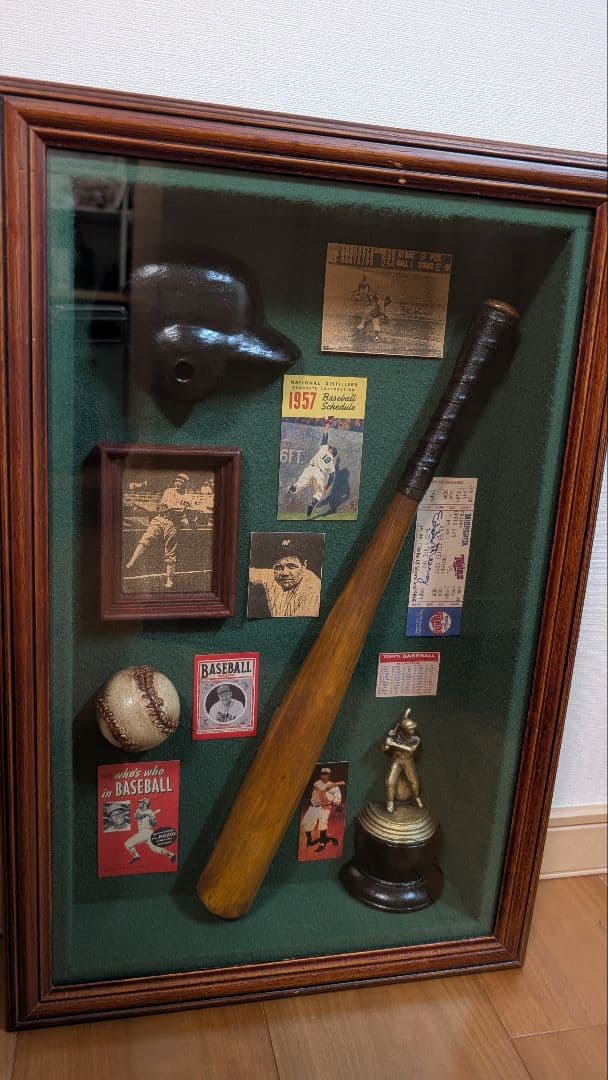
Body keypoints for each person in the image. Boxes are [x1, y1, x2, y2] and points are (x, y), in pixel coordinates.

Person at [125, 473, 198, 589]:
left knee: (170, 550)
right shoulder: (169, 491)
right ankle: (132, 561)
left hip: (173, 523)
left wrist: (192, 516)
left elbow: (193, 513)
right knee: (146, 537)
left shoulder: (188, 497)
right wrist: (183, 509)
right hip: (160, 518)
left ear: (185, 484)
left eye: (181, 482)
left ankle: (170, 579)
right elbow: (166, 506)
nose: (177, 483)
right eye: (177, 481)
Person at [248, 537, 322, 617]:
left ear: (304, 566)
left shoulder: (313, 589)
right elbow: (249, 572)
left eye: (291, 566)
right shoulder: (272, 576)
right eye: (279, 567)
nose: (284, 573)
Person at [288, 419, 338, 518]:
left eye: (331, 447)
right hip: (319, 474)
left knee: (299, 486)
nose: (329, 447)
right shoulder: (331, 462)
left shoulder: (324, 448)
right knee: (319, 492)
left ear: (331, 450)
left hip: (309, 469)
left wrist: (327, 426)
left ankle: (294, 486)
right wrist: (328, 485)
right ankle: (312, 503)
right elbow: (332, 475)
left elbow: (325, 437)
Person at [383, 708, 424, 813]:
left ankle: (417, 798)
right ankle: (390, 802)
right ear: (404, 729)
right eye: (410, 729)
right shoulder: (396, 735)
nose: (413, 731)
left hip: (408, 760)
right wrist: (386, 744)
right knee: (390, 781)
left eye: (413, 729)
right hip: (397, 760)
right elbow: (385, 748)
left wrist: (393, 743)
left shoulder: (416, 739)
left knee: (413, 780)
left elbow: (411, 749)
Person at [301, 767, 345, 852]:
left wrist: (338, 805)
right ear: (321, 775)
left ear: (329, 775)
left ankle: (322, 843)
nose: (324, 776)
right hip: (314, 807)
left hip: (325, 808)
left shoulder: (335, 788)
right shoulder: (317, 783)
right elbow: (324, 788)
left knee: (323, 824)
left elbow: (337, 799)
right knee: (305, 824)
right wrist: (338, 783)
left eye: (326, 775)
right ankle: (309, 840)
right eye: (323, 774)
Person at [124, 798, 176, 864]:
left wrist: (152, 821)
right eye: (140, 802)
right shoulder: (139, 810)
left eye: (141, 802)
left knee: (127, 843)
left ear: (145, 804)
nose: (139, 803)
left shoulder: (150, 812)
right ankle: (172, 855)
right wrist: (146, 815)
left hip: (146, 832)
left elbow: (154, 824)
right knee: (155, 849)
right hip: (146, 833)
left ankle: (136, 856)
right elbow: (136, 816)